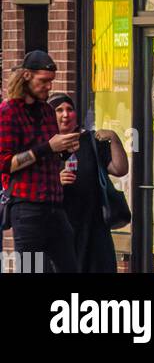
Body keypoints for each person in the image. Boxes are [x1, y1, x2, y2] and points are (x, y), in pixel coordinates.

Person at [0, 50, 78, 272]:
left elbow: (52, 158)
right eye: (43, 81)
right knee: (33, 269)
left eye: (51, 82)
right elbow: (6, 164)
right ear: (26, 76)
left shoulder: (46, 111)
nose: (48, 87)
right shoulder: (8, 112)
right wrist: (48, 147)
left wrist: (64, 150)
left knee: (70, 267)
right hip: (26, 207)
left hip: (54, 205)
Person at [49, 93, 129, 273]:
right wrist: (56, 182)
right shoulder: (44, 146)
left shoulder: (90, 141)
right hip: (61, 226)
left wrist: (114, 139)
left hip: (93, 226)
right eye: (59, 110)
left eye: (70, 110)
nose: (65, 114)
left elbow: (120, 169)